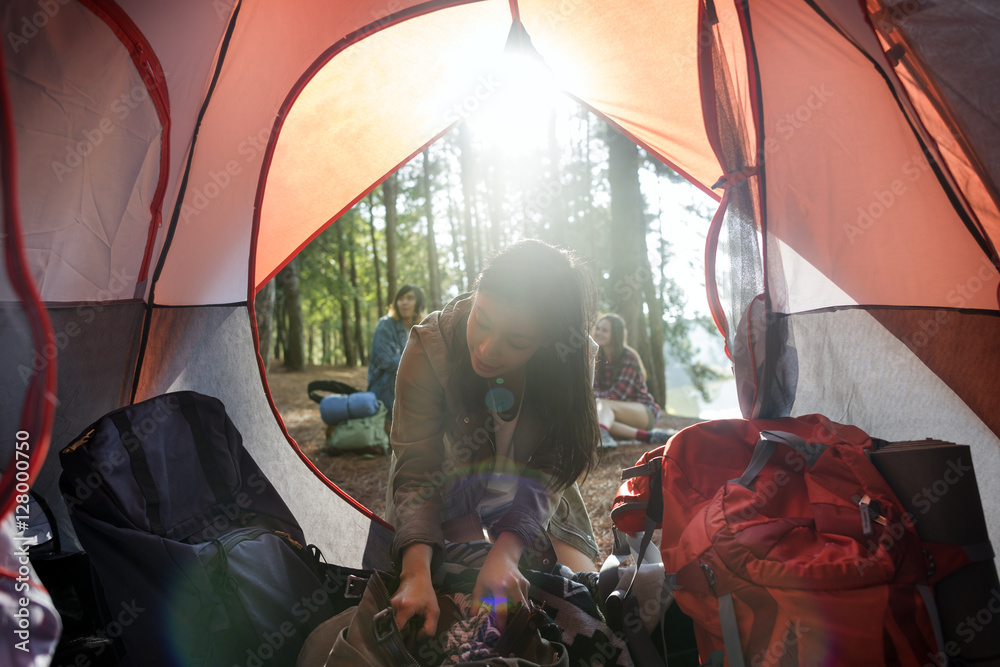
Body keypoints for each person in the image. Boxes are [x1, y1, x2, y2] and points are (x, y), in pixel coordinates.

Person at [385, 239, 602, 640]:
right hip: (444, 494)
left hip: (537, 498)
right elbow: (416, 468)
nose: (486, 349)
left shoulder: (572, 358)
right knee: (438, 602)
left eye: (517, 342)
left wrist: (507, 551)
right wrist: (415, 571)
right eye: (480, 320)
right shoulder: (429, 348)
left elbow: (551, 469)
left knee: (587, 602)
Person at [592, 313, 672, 446]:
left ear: (616, 334)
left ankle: (602, 437)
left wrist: (591, 398)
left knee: (602, 403)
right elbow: (594, 388)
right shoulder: (597, 358)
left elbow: (616, 395)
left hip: (642, 412)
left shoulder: (629, 357)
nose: (599, 332)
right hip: (609, 412)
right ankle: (647, 437)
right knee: (597, 418)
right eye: (598, 328)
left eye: (604, 330)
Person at [367, 284, 425, 420]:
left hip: (409, 390)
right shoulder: (385, 325)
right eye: (401, 298)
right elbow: (387, 362)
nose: (404, 302)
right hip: (384, 389)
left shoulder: (421, 328)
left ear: (418, 303)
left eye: (410, 298)